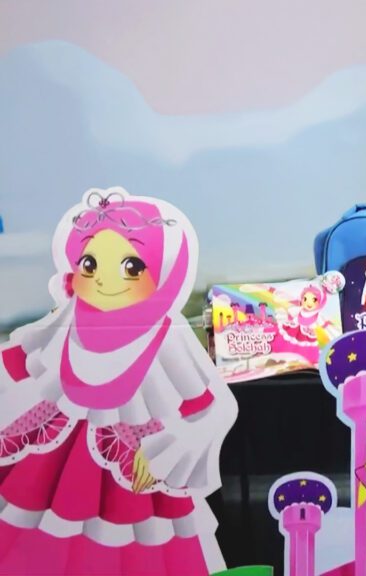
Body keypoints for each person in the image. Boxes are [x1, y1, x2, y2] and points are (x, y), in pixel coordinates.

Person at [0, 188, 237, 574]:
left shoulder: (165, 333)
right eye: (90, 264)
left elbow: (208, 405)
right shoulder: (70, 318)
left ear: (163, 272)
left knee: (132, 544)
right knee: (40, 531)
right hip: (57, 448)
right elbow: (23, 358)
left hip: (133, 459)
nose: (104, 280)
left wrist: (176, 446)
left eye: (131, 267)